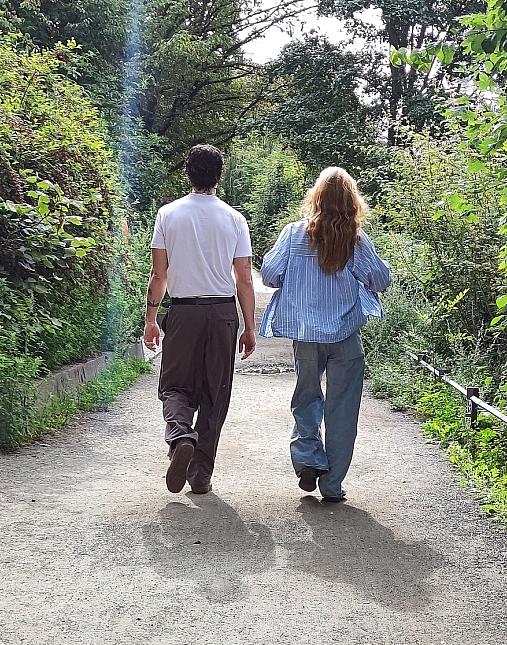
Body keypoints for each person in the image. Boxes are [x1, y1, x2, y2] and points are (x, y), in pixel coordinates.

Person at [258, 167, 392, 502]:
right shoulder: (356, 240)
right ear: (352, 202)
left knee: (306, 397)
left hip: (305, 334)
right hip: (345, 335)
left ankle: (308, 457)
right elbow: (381, 280)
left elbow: (270, 274)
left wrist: (297, 278)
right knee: (342, 408)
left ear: (316, 198)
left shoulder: (293, 234)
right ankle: (332, 485)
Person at [143, 144, 257, 495]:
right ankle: (201, 475)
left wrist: (150, 319)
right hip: (222, 315)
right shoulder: (235, 219)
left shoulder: (168, 215)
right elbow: (244, 277)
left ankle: (180, 436)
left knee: (174, 385)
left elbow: (159, 274)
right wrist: (249, 327)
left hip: (184, 312)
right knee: (215, 392)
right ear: (219, 175)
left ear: (187, 173)